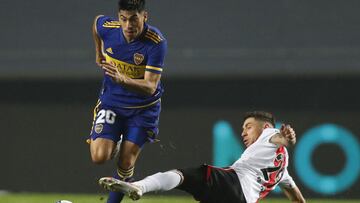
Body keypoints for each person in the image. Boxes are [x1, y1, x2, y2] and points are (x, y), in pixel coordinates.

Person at [99, 111, 306, 203]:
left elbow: (281, 138)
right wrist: (286, 140)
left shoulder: (268, 133)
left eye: (248, 127)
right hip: (245, 200)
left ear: (266, 127)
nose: (243, 132)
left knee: (184, 176)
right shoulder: (283, 171)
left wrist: (286, 137)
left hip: (232, 183)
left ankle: (139, 187)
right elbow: (296, 198)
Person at [88, 0, 167, 202]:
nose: (128, 25)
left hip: (143, 109)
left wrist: (121, 78)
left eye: (133, 19)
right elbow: (96, 22)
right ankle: (118, 140)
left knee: (125, 163)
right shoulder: (108, 29)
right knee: (98, 157)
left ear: (144, 17)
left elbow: (150, 87)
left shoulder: (156, 42)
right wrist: (98, 52)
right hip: (112, 103)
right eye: (123, 19)